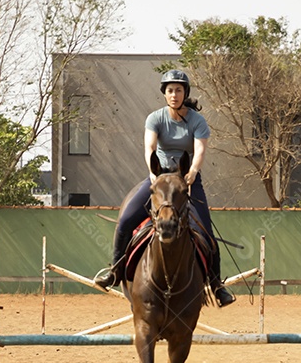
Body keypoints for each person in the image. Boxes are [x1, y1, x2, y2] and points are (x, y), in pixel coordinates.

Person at [94, 69, 236, 307]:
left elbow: (200, 150)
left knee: (207, 235)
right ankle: (115, 271)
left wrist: (192, 171)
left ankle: (216, 285)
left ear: (185, 93)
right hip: (158, 179)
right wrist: (152, 173)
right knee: (126, 220)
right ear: (164, 94)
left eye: (179, 90)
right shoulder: (155, 118)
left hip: (188, 180)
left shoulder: (197, 121)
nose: (174, 94)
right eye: (170, 90)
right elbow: (149, 147)